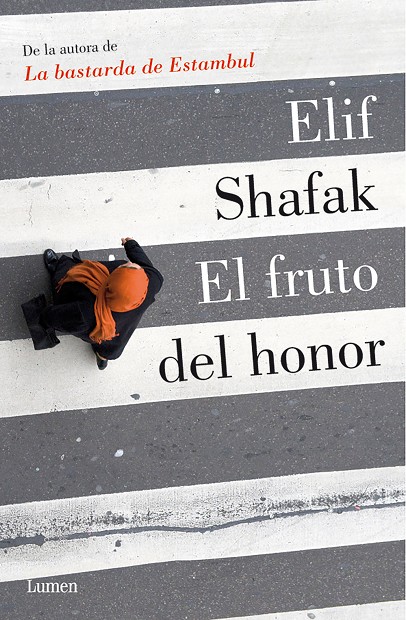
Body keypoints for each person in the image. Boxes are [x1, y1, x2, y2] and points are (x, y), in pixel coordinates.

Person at [23, 237, 164, 369]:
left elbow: (57, 318)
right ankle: (102, 357)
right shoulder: (150, 283)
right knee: (109, 346)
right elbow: (147, 267)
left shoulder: (87, 312)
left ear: (111, 284)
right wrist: (131, 245)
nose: (130, 263)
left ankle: (59, 271)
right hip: (117, 332)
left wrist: (44, 316)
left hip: (81, 302)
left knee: (68, 285)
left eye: (126, 267)